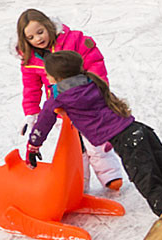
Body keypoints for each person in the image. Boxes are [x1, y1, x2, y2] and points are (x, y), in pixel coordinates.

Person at [27, 51, 162, 215]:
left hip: (128, 142)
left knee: (149, 183)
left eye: (48, 75)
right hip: (140, 129)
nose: (47, 78)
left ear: (58, 78)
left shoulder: (59, 97)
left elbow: (43, 124)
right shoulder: (92, 81)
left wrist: (33, 146)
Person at [14, 8, 128, 192]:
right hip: (62, 108)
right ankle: (78, 184)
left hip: (87, 102)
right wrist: (31, 113)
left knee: (96, 140)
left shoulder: (74, 41)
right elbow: (31, 88)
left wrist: (95, 92)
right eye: (31, 37)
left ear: (49, 26)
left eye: (40, 32)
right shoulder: (29, 59)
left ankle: (110, 174)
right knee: (75, 148)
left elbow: (95, 64)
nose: (38, 39)